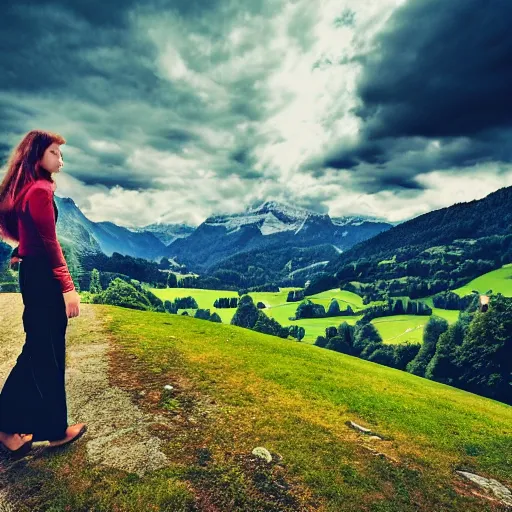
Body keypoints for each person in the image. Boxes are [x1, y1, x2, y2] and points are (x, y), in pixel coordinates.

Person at [0, 130, 87, 459]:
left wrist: (20, 249)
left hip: (33, 273)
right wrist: (68, 288)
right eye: (54, 153)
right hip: (44, 278)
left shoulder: (29, 188)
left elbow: (33, 234)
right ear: (38, 155)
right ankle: (53, 430)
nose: (60, 160)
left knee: (38, 350)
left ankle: (10, 426)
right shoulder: (39, 189)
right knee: (47, 353)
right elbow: (50, 243)